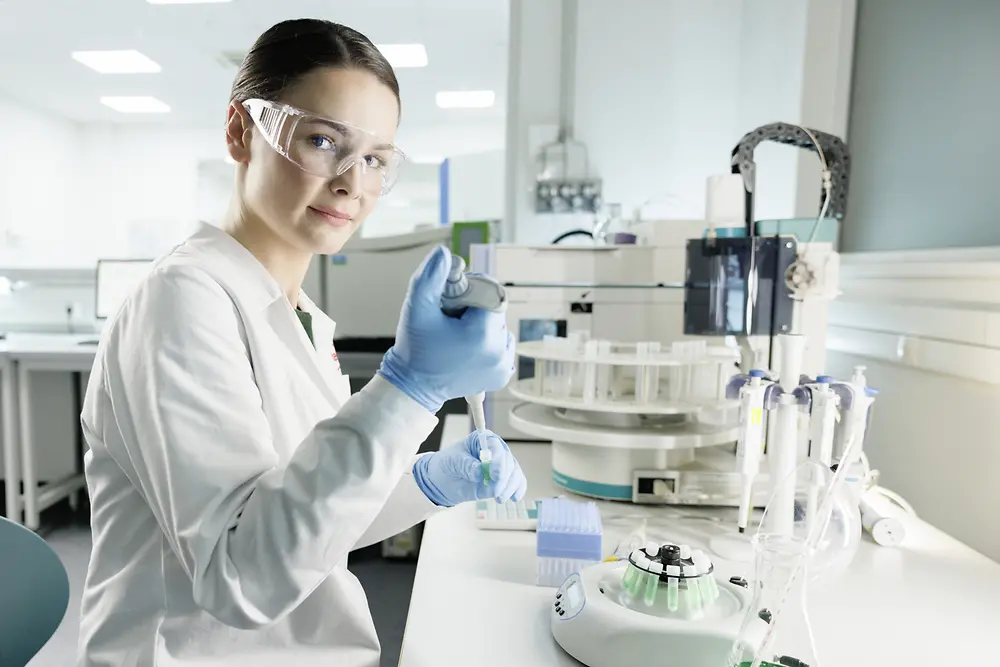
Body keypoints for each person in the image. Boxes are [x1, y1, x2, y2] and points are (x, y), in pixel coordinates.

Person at [77, 18, 527, 667]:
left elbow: (314, 526)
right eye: (323, 140)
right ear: (240, 133)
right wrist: (409, 389)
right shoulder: (182, 300)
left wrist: (427, 481)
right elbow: (238, 577)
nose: (353, 182)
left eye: (375, 159)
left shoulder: (300, 314)